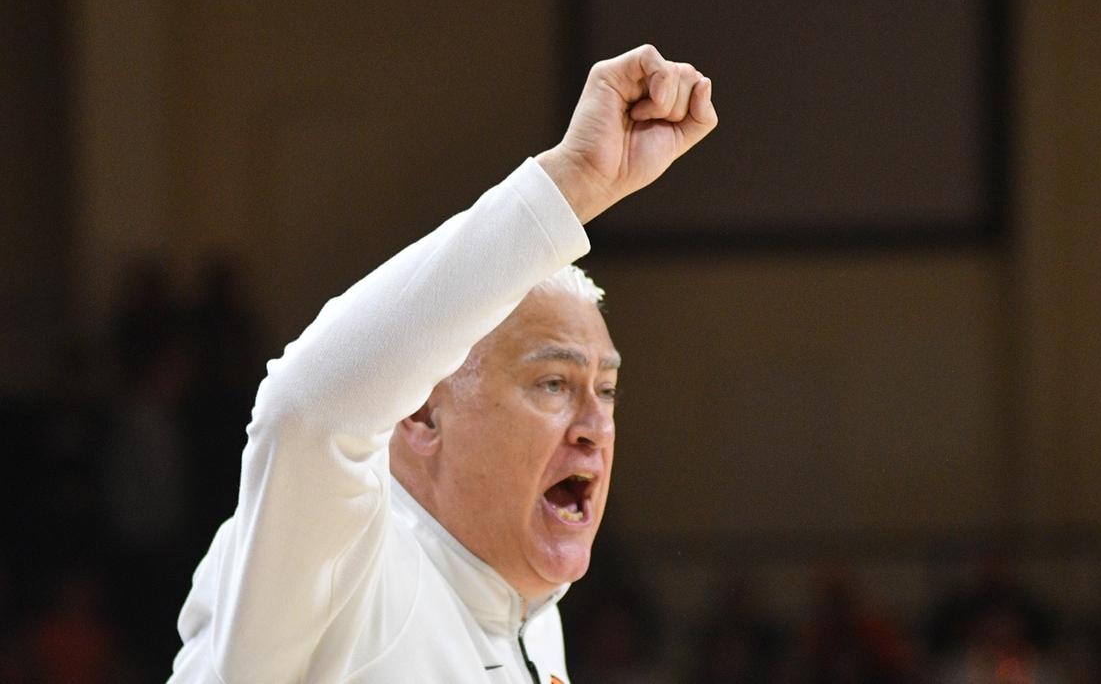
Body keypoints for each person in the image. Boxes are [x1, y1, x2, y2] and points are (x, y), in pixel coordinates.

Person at [168, 44, 717, 683]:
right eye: (553, 383)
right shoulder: (351, 567)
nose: (594, 424)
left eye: (607, 389)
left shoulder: (532, 619)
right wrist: (572, 183)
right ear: (422, 414)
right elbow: (306, 411)